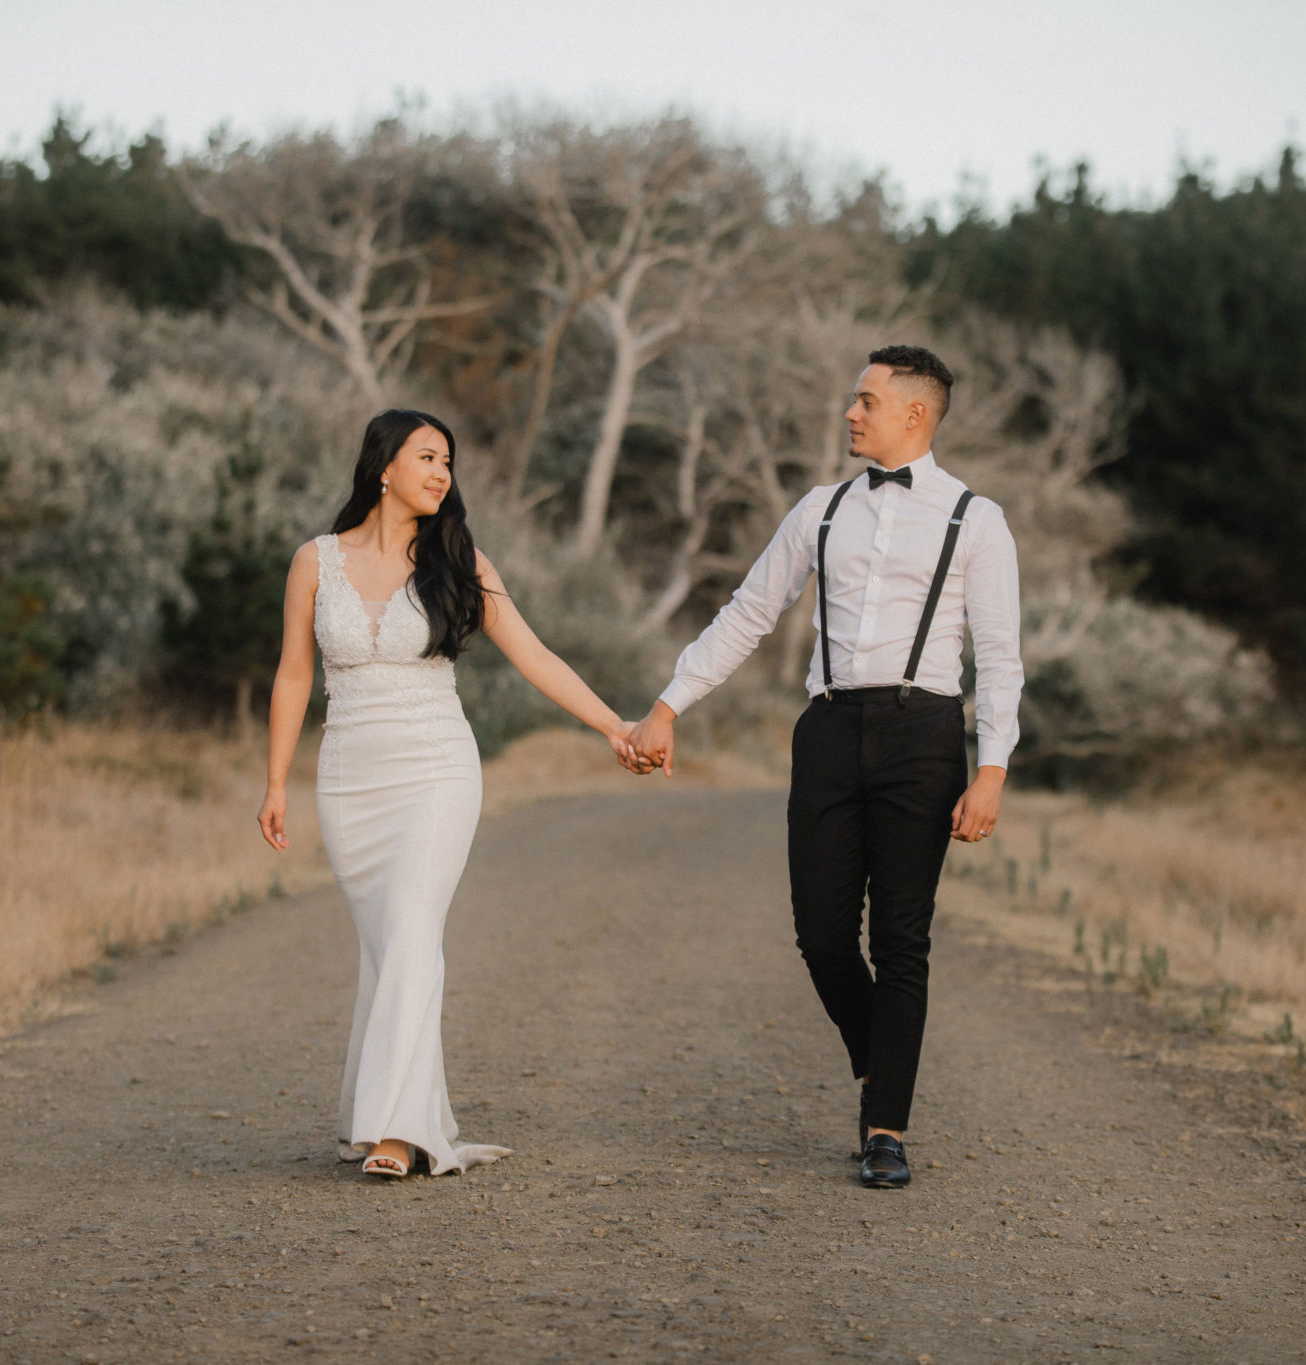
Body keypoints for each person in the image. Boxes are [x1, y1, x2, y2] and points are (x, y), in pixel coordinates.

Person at [626, 345, 1024, 1189]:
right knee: (820, 935)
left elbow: (1000, 654)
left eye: (867, 400)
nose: (851, 411)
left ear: (914, 414)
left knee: (903, 937)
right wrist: (668, 705)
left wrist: (991, 768)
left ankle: (887, 1127)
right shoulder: (820, 510)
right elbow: (748, 614)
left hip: (924, 735)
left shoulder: (975, 519)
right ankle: (885, 1060)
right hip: (831, 731)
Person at [258, 409, 642, 1178]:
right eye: (427, 456)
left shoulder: (459, 558)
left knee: (408, 928)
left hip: (436, 766)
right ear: (383, 467)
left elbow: (533, 654)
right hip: (348, 776)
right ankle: (392, 1116)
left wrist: (612, 724)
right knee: (388, 944)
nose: (442, 472)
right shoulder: (315, 561)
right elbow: (295, 673)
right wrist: (275, 782)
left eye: (448, 461)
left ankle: (397, 1132)